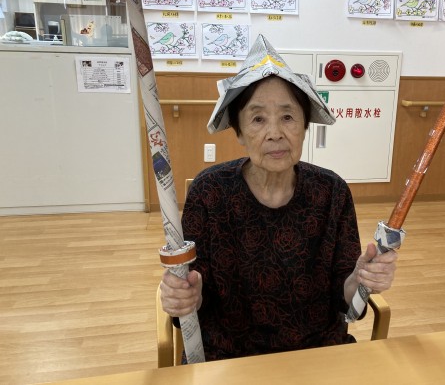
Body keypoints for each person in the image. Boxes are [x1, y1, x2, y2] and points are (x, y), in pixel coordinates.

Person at [160, 35, 398, 362]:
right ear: (239, 132)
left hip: (315, 355)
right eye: (258, 119)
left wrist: (361, 279)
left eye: (287, 117)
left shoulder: (332, 192)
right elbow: (194, 299)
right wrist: (184, 296)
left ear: (304, 126)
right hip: (229, 357)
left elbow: (346, 302)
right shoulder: (209, 192)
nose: (275, 133)